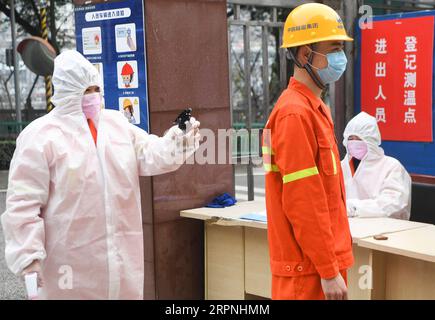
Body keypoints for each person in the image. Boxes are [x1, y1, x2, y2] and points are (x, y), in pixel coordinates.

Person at [1, 50, 200, 299]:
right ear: (65, 91)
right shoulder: (41, 136)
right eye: (85, 90)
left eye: (96, 88)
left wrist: (177, 140)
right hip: (68, 266)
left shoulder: (115, 124)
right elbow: (23, 204)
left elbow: (150, 153)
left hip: (121, 261)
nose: (93, 96)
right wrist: (28, 258)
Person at [263, 3, 354, 300]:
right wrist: (328, 269)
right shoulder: (294, 114)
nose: (340, 58)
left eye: (342, 49)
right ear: (305, 54)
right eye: (334, 48)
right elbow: (303, 198)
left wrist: (332, 265)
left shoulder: (314, 109)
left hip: (320, 264)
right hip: (308, 271)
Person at [341, 112, 411, 220]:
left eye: (359, 138)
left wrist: (353, 208)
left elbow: (393, 204)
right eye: (351, 138)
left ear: (371, 140)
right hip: (347, 227)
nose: (354, 142)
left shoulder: (392, 167)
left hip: (385, 230)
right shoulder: (341, 166)